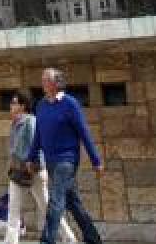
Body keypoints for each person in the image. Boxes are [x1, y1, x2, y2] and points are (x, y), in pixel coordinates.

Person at [26, 67, 104, 244]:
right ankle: (93, 237)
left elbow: (84, 132)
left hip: (67, 160)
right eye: (43, 79)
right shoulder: (41, 105)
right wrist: (31, 157)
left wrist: (96, 160)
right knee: (72, 202)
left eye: (46, 79)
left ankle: (47, 240)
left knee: (55, 200)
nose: (43, 83)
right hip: (51, 161)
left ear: (56, 83)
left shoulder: (70, 104)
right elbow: (39, 135)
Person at [6, 90, 77, 244]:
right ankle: (69, 237)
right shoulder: (16, 123)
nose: (11, 106)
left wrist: (32, 164)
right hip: (18, 171)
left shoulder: (30, 121)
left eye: (14, 103)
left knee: (45, 207)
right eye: (11, 103)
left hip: (33, 170)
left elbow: (37, 144)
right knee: (14, 209)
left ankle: (69, 237)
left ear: (22, 106)